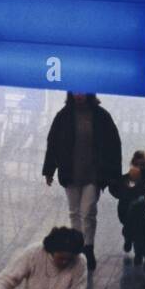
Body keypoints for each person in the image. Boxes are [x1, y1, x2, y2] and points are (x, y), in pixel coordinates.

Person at [42, 93, 122, 272]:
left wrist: (112, 174)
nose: (79, 95)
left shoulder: (101, 116)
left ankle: (88, 247)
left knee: (87, 211)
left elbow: (113, 145)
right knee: (75, 212)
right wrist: (49, 169)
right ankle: (78, 246)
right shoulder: (64, 116)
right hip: (71, 172)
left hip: (93, 174)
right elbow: (53, 144)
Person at [109, 149, 145, 267]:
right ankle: (133, 244)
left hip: (135, 213)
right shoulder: (128, 178)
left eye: (142, 165)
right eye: (137, 165)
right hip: (127, 212)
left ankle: (137, 250)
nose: (139, 168)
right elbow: (116, 189)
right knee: (138, 231)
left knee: (139, 231)